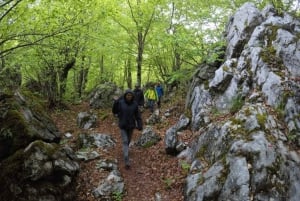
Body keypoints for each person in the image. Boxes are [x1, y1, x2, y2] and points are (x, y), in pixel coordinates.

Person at [112, 89, 143, 169]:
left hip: (131, 126)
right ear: (125, 96)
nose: (129, 96)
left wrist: (140, 125)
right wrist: (115, 102)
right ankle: (126, 160)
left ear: (132, 96)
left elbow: (138, 116)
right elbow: (114, 111)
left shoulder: (135, 104)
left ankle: (125, 150)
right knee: (125, 141)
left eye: (130, 95)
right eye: (127, 95)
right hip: (123, 125)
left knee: (128, 141)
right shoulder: (120, 103)